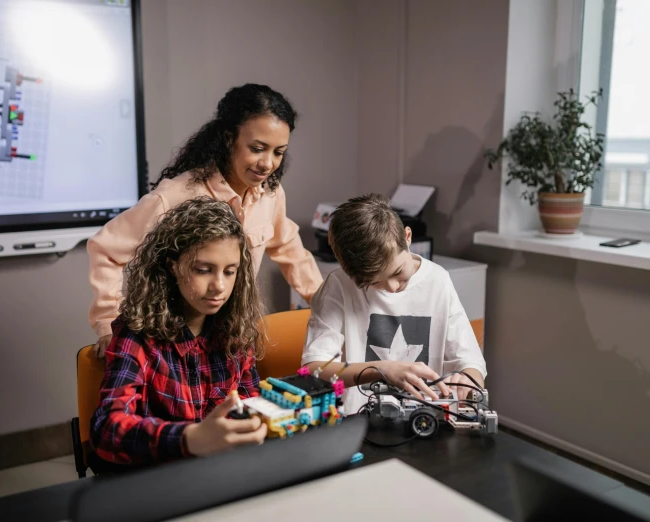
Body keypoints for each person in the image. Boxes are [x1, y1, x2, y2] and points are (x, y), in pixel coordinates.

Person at [87, 83, 323, 357]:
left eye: (278, 152)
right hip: (173, 344)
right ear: (227, 138)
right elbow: (105, 249)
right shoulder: (174, 197)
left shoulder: (270, 194)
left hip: (230, 341)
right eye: (257, 148)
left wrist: (325, 305)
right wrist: (108, 323)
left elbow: (288, 249)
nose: (267, 163)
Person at [89, 197, 267, 468]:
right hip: (161, 480)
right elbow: (107, 430)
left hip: (223, 474)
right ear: (173, 265)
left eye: (230, 272)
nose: (219, 286)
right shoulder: (137, 334)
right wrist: (189, 439)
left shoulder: (235, 330)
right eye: (203, 270)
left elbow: (250, 402)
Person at [300, 193, 487, 415]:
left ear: (407, 237)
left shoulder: (438, 280)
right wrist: (382, 370)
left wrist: (468, 377)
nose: (391, 287)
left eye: (398, 272)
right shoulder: (339, 285)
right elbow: (313, 369)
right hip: (360, 421)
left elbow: (472, 363)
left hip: (425, 418)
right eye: (374, 282)